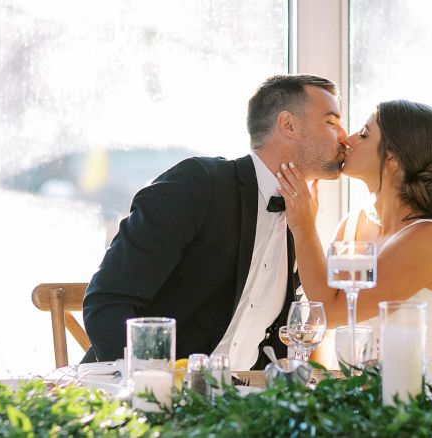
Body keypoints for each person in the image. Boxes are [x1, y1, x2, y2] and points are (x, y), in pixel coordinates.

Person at [82, 74, 348, 370]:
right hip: (149, 397)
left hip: (242, 402)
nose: (344, 135)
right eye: (331, 122)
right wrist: (157, 389)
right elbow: (106, 304)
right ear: (288, 125)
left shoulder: (300, 218)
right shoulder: (197, 185)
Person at [277, 99, 432, 361]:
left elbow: (332, 312)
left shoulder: (428, 239)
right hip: (371, 390)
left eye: (363, 134)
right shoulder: (354, 224)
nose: (346, 140)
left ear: (392, 157)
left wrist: (303, 225)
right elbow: (321, 322)